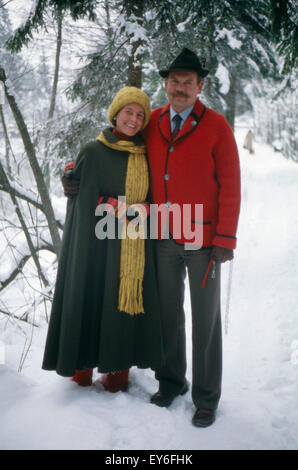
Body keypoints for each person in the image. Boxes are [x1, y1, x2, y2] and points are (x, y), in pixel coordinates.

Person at [62, 48, 241, 427]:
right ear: (166, 84)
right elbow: (116, 143)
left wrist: (225, 238)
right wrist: (77, 173)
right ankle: (172, 381)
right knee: (167, 314)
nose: (180, 88)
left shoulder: (217, 127)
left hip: (203, 240)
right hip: (161, 235)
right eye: (174, 81)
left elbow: (231, 185)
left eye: (187, 82)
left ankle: (206, 397)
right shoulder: (152, 120)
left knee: (205, 320)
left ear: (199, 86)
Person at [42, 87, 164, 392]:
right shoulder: (92, 151)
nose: (133, 120)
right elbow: (82, 202)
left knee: (122, 305)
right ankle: (81, 374)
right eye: (128, 112)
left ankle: (117, 377)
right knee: (91, 297)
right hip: (95, 246)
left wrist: (140, 210)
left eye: (140, 115)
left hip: (133, 244)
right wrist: (116, 205)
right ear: (115, 114)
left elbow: (154, 197)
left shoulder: (146, 154)